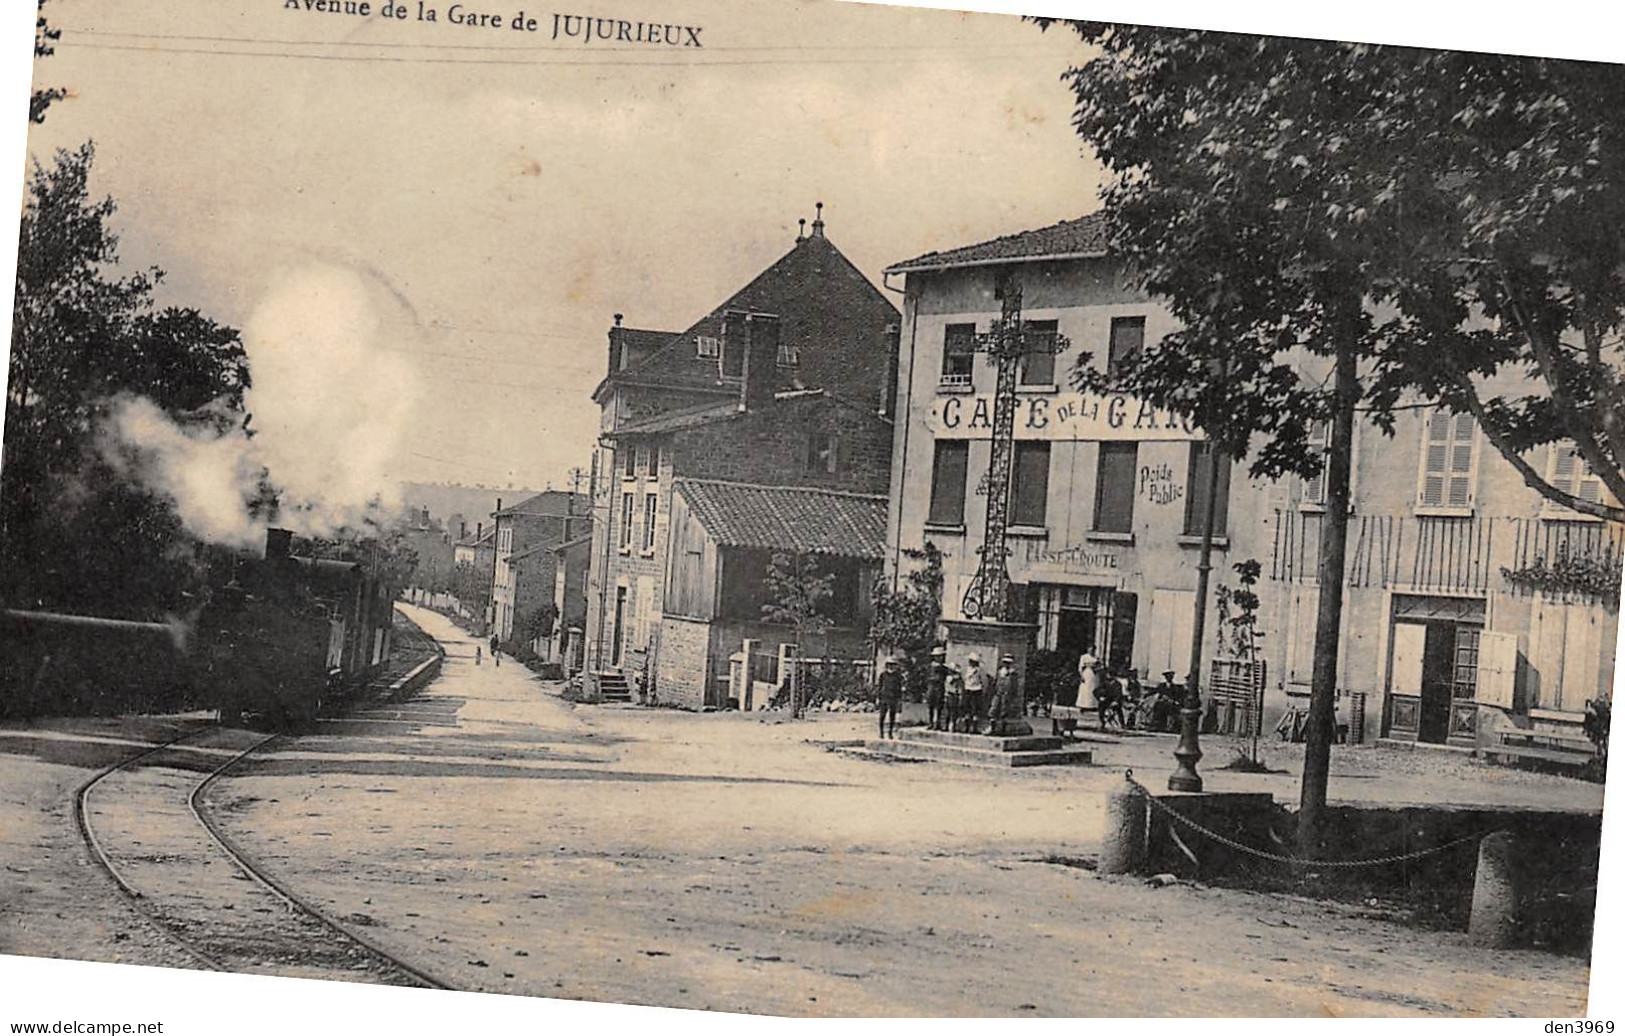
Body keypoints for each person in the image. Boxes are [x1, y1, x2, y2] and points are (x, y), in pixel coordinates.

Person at [875, 655, 904, 739]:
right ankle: (881, 732)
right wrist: (878, 697)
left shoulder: (898, 676)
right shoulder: (883, 675)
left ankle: (890, 732)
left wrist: (899, 699)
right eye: (889, 664)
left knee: (892, 715)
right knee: (882, 715)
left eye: (893, 664)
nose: (891, 666)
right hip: (884, 697)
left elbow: (899, 688)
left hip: (893, 697)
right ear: (887, 665)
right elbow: (879, 687)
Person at [960, 652, 986, 734]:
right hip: (970, 689)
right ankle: (968, 727)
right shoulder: (968, 669)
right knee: (968, 709)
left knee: (974, 710)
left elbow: (984, 681)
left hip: (975, 690)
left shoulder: (978, 670)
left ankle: (973, 727)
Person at [926, 646, 948, 731]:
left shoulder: (944, 668)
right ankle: (930, 722)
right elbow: (927, 677)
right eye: (937, 656)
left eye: (941, 656)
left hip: (939, 687)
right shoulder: (930, 666)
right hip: (931, 686)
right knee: (930, 705)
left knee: (939, 706)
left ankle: (938, 723)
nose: (939, 658)